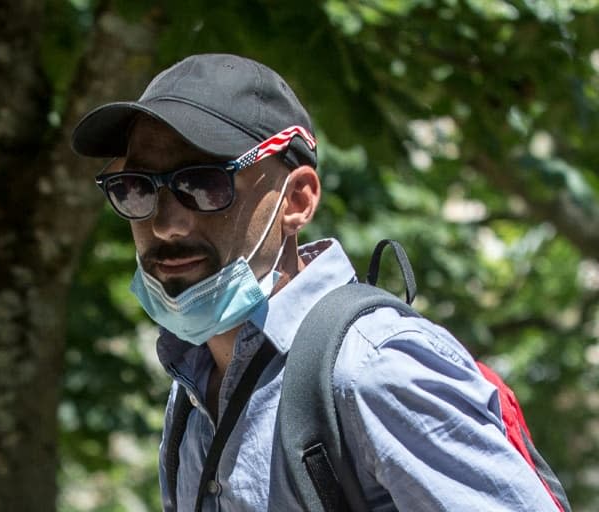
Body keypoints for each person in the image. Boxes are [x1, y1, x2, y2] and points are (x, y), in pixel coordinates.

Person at [71, 54, 560, 511]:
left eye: (202, 184)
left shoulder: (373, 369)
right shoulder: (192, 383)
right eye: (135, 189)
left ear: (297, 200)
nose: (165, 224)